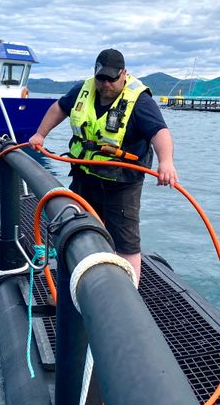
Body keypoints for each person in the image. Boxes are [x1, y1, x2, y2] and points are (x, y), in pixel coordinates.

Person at [28, 48, 177, 284]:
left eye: (112, 78)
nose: (106, 83)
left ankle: (129, 297)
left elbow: (159, 132)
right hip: (84, 177)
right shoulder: (84, 90)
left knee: (125, 242)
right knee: (76, 229)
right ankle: (71, 288)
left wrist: (166, 162)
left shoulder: (140, 101)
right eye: (101, 78)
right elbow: (59, 108)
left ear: (124, 74)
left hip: (122, 185)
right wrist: (40, 134)